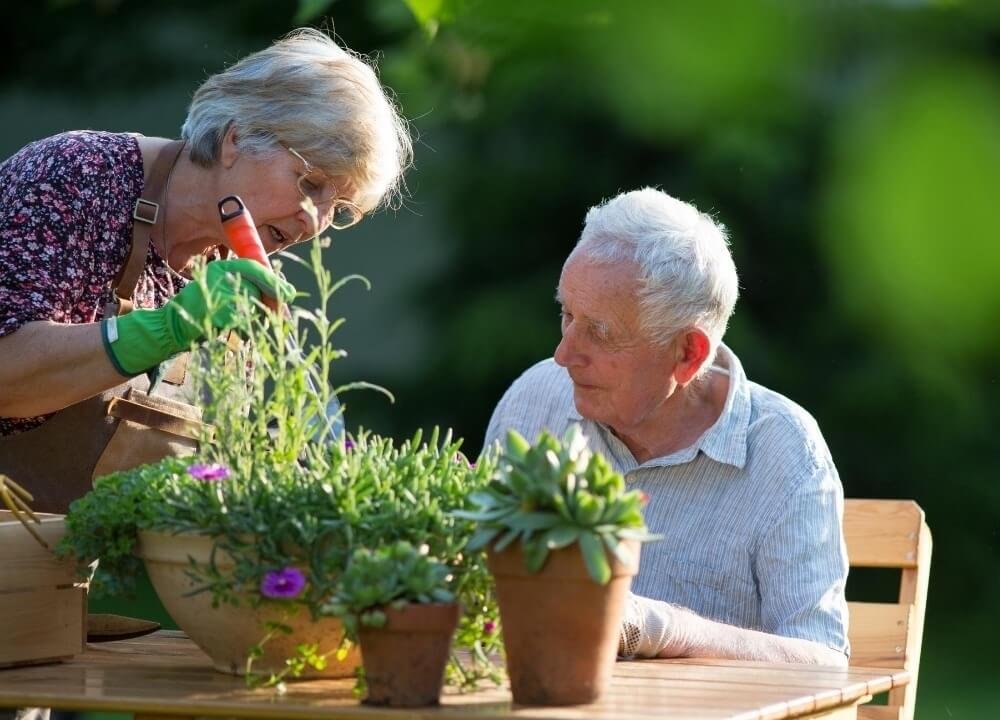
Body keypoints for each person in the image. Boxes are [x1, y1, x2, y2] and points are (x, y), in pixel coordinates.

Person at [0, 28, 412, 511]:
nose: (315, 220)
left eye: (338, 207)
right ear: (236, 139)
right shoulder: (76, 177)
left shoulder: (235, 274)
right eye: (311, 181)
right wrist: (166, 329)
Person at [483, 188, 849, 666]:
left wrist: (669, 630)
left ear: (688, 354)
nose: (563, 354)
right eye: (566, 315)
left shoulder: (785, 450)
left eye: (601, 331)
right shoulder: (536, 401)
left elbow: (822, 663)